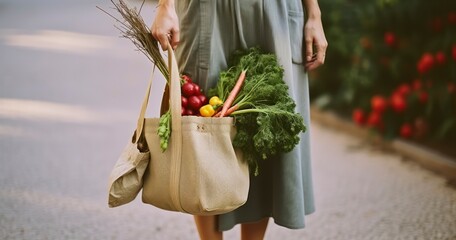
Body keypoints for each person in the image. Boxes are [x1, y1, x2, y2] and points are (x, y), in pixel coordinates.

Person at [151, 0, 327, 239]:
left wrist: (314, 13)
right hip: (204, 9)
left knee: (267, 123)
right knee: (200, 132)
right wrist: (165, 6)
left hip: (273, 9)